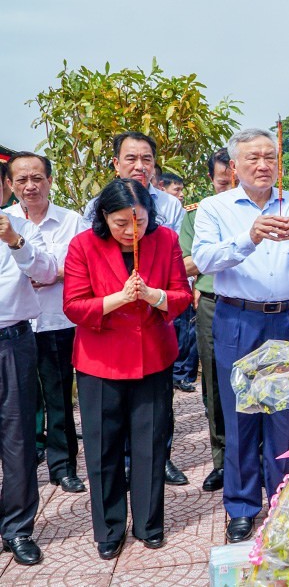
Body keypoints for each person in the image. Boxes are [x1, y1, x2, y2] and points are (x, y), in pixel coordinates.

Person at [193, 128, 289, 543]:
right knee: (240, 415)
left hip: (287, 318)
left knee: (284, 415)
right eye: (253, 158)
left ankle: (282, 499)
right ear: (234, 166)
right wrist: (249, 237)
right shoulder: (215, 207)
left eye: (270, 157)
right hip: (238, 318)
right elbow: (204, 259)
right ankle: (241, 505)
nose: (263, 165)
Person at [63, 178, 192, 559]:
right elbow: (74, 306)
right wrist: (118, 299)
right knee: (103, 448)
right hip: (100, 361)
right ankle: (109, 528)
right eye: (120, 223)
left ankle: (149, 524)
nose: (130, 231)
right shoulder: (83, 245)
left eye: (139, 222)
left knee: (150, 444)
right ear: (104, 216)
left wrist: (155, 295)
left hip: (152, 357)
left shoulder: (165, 240)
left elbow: (182, 295)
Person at [5, 153, 88, 494]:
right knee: (21, 404)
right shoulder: (6, 222)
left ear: (50, 181)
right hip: (15, 326)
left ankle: (63, 465)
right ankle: (27, 464)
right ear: (10, 185)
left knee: (58, 397)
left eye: (37, 178)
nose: (30, 186)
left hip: (56, 320)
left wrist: (52, 273)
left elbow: (85, 263)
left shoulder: (72, 221)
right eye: (22, 180)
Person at [0, 185, 57, 566]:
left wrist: (15, 242)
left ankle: (17, 529)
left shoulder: (21, 227)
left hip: (12, 341)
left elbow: (47, 271)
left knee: (18, 438)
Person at [177, 148, 236, 492]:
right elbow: (185, 263)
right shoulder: (198, 214)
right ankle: (222, 459)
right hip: (213, 302)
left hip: (257, 304)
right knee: (213, 380)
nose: (229, 190)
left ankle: (261, 456)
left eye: (234, 183)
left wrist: (212, 254)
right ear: (211, 180)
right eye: (222, 183)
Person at [83, 132, 185, 233]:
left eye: (146, 159)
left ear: (154, 163)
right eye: (131, 159)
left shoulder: (171, 204)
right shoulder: (96, 206)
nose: (140, 166)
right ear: (117, 164)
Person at [163, 169, 197, 393]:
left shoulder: (185, 214)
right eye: (176, 190)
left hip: (181, 282)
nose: (181, 195)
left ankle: (181, 374)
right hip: (161, 284)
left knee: (185, 331)